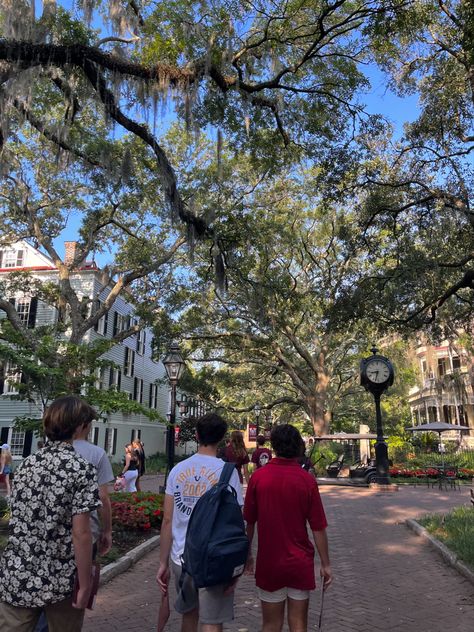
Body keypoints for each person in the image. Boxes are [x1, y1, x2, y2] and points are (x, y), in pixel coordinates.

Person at [0, 395, 100, 632]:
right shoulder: (80, 468)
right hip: (61, 577)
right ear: (79, 427)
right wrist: (85, 584)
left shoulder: (26, 465)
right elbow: (82, 533)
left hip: (18, 571)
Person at [156, 412, 244, 632]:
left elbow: (168, 520)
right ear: (222, 438)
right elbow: (236, 522)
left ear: (196, 435)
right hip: (215, 556)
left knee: (189, 615)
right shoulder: (228, 473)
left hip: (181, 556)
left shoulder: (177, 470)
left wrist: (163, 562)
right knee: (212, 621)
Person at [244, 424, 332, 632]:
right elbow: (318, 527)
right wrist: (326, 564)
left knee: (270, 625)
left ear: (274, 446)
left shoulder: (258, 478)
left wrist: (247, 554)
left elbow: (249, 522)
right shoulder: (306, 480)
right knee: (298, 624)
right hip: (299, 562)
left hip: (270, 562)